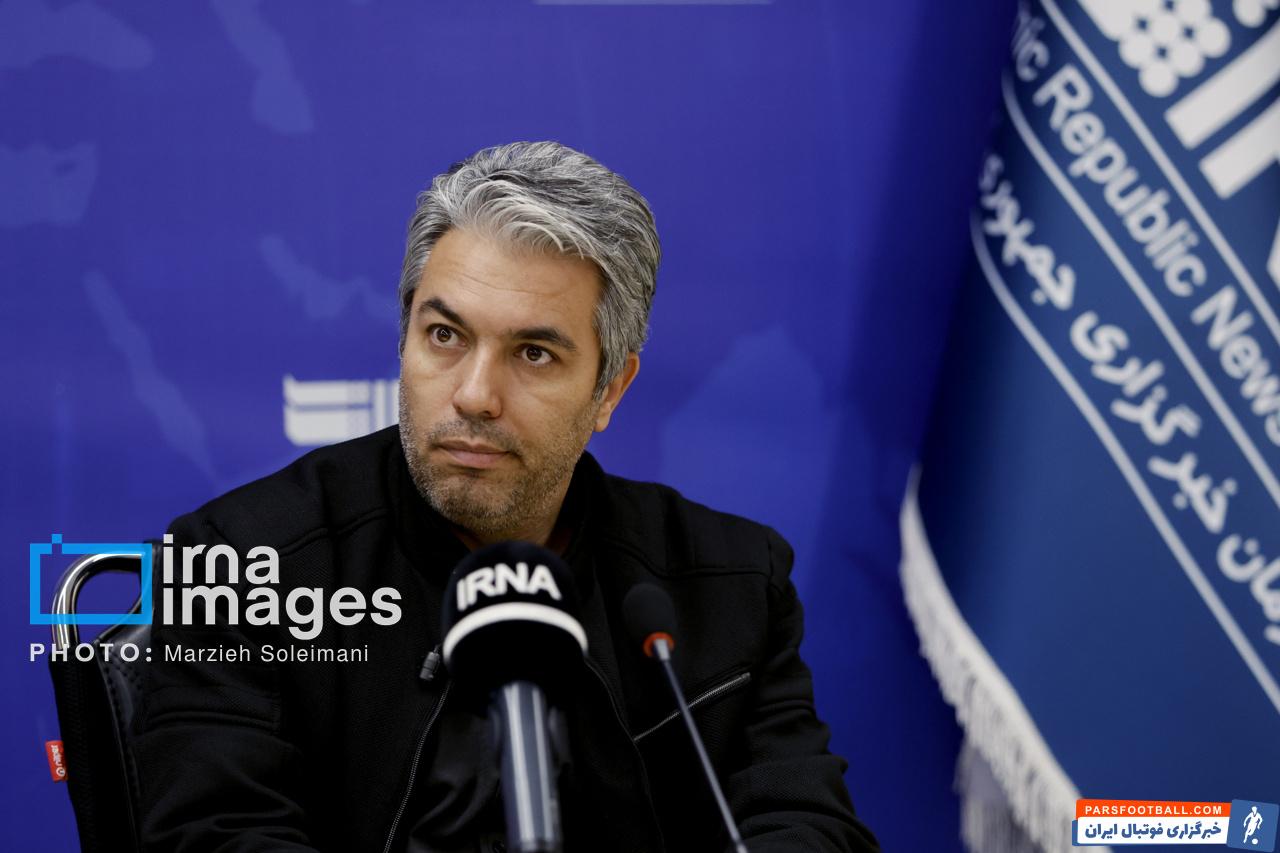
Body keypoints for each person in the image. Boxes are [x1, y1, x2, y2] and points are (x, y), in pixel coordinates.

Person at [134, 141, 880, 852]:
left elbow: (807, 826)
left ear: (610, 389)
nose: (475, 395)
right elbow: (212, 834)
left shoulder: (731, 586)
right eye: (445, 335)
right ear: (404, 337)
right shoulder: (238, 565)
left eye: (533, 353)